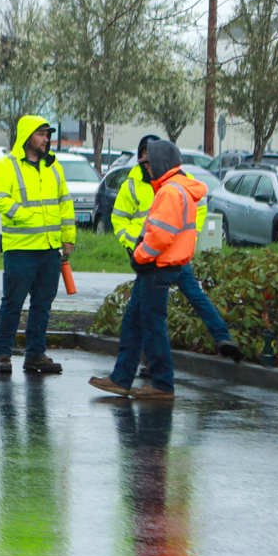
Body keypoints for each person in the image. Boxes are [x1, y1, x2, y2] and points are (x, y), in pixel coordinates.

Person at [92, 138, 206, 400]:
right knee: (134, 322)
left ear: (162, 162)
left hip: (156, 266)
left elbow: (160, 236)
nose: (147, 168)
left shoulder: (168, 191)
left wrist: (139, 256)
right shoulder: (175, 188)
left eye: (150, 163)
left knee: (152, 326)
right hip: (159, 265)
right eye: (144, 163)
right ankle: (121, 379)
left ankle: (162, 384)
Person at [112, 137, 243, 361]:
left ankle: (152, 372)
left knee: (148, 317)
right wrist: (133, 246)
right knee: (148, 314)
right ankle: (219, 337)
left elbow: (195, 214)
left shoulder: (173, 185)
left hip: (158, 257)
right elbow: (120, 219)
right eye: (143, 158)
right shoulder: (134, 183)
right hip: (151, 255)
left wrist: (148, 250)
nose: (147, 163)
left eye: (150, 158)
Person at [0, 116, 76, 375]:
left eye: (48, 135)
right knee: (12, 304)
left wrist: (68, 237)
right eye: (41, 134)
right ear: (27, 136)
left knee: (42, 304)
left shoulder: (53, 168)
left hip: (50, 249)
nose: (46, 139)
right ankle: (3, 354)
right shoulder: (6, 166)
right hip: (21, 248)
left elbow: (64, 203)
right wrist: (24, 214)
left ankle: (35, 355)